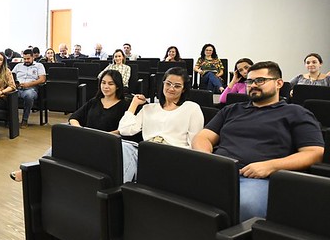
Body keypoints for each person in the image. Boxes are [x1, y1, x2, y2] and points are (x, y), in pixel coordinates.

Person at [192, 61, 324, 220]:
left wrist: (270, 166)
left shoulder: (297, 113)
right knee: (176, 193)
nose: (253, 85)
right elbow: (203, 137)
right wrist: (209, 159)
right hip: (219, 172)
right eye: (249, 81)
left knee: (246, 206)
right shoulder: (232, 110)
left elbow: (314, 152)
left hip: (260, 179)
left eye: (260, 80)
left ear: (279, 83)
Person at [11, 70, 126, 181]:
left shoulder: (124, 105)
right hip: (87, 137)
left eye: (110, 84)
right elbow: (74, 117)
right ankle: (35, 168)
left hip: (106, 142)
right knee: (59, 144)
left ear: (118, 86)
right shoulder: (95, 101)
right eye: (103, 83)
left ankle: (35, 170)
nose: (106, 86)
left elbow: (123, 130)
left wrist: (103, 136)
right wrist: (79, 130)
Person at [118, 67, 204, 182]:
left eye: (177, 86)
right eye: (168, 84)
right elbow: (124, 130)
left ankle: (121, 191)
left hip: (173, 154)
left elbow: (194, 143)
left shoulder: (192, 108)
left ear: (183, 89)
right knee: (122, 146)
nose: (171, 88)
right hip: (147, 151)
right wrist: (134, 104)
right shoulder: (149, 108)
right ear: (163, 84)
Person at [14, 48, 47, 127]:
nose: (26, 60)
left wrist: (29, 84)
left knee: (29, 95)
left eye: (28, 59)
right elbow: (11, 76)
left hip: (31, 89)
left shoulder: (39, 66)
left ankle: (25, 120)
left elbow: (42, 79)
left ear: (33, 57)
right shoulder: (18, 66)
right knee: (8, 95)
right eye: (24, 59)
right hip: (17, 88)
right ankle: (12, 120)